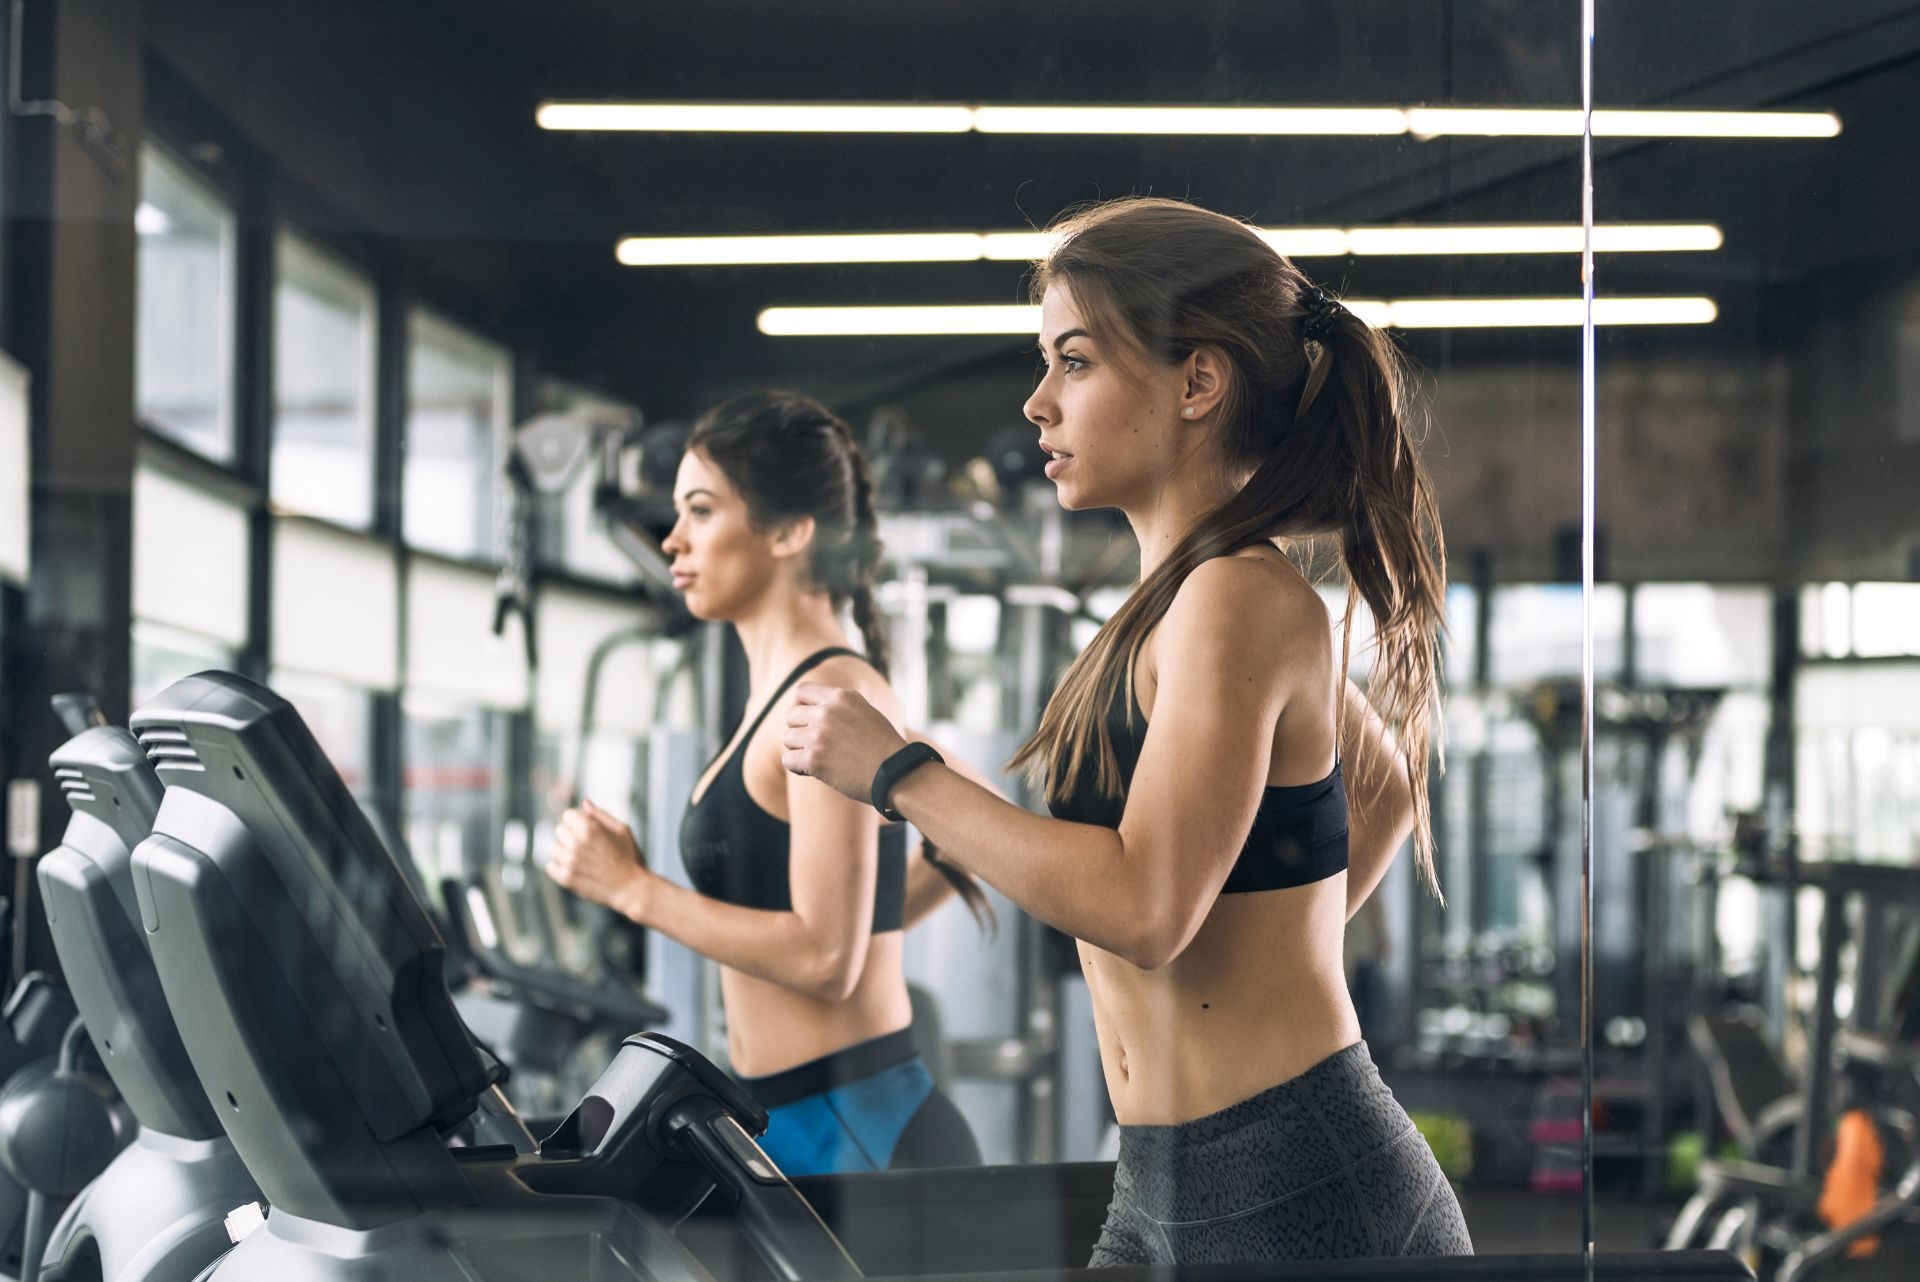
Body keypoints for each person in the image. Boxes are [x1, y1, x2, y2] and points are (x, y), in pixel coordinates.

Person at [780, 197, 1473, 1264]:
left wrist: (903, 772)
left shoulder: (1238, 596)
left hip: (1294, 1178)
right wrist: (1269, 955)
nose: (1036, 403)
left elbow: (1146, 907)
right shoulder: (1190, 595)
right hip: (1160, 1175)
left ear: (1200, 381)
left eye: (1075, 362)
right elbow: (1377, 792)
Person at [542, 390, 984, 1176]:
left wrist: (631, 889)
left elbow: (825, 959)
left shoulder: (828, 696)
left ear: (788, 530)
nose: (673, 540)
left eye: (701, 511)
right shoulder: (784, 696)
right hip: (789, 1117)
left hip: (857, 1131)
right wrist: (912, 882)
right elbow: (845, 926)